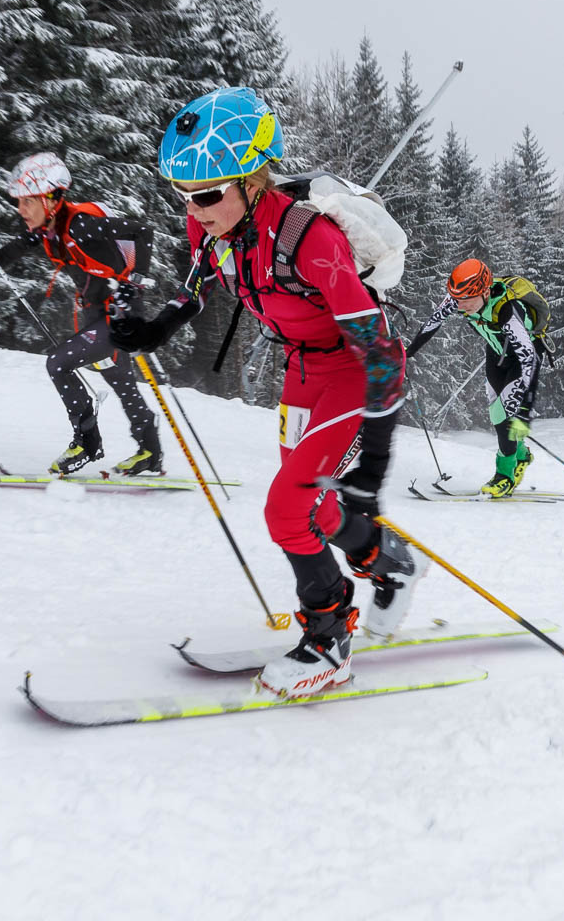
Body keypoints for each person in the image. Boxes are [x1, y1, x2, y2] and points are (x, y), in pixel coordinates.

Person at [106, 87, 423, 699]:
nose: (194, 210)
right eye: (183, 195)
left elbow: (381, 351)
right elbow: (196, 286)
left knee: (285, 508)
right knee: (310, 506)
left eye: (206, 195)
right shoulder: (214, 227)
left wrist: (375, 466)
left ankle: (328, 638)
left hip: (355, 372)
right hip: (301, 369)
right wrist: (157, 327)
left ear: (254, 181)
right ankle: (389, 559)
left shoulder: (311, 240)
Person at [0, 152, 163, 476]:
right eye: (19, 202)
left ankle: (87, 444)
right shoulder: (44, 230)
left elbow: (142, 232)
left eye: (27, 202)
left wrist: (133, 285)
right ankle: (150, 451)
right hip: (96, 312)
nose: (21, 210)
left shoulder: (82, 226)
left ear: (51, 199)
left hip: (121, 312)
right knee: (118, 379)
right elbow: (0, 260)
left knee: (58, 363)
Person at [405, 261, 548, 498]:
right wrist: (408, 352)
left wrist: (525, 409)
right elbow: (434, 322)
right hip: (496, 354)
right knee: (497, 413)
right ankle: (521, 455)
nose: (460, 306)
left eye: (466, 300)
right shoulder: (460, 297)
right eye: (456, 299)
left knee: (503, 415)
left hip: (523, 362)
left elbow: (529, 359)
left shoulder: (507, 311)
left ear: (485, 291)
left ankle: (505, 476)